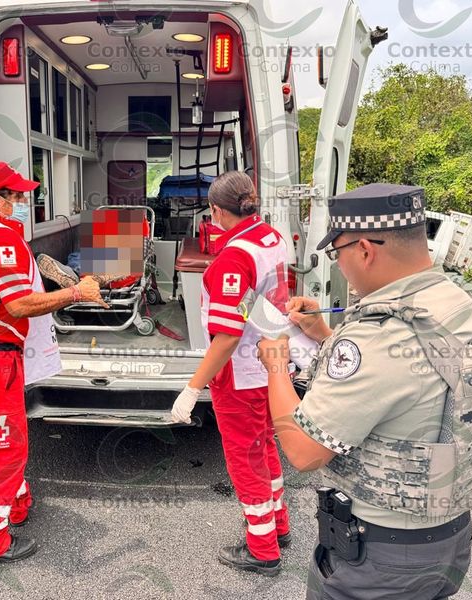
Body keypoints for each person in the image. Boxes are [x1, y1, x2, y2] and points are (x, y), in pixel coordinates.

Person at [256, 183, 472, 599]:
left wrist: (275, 367)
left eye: (337, 254)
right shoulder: (454, 301)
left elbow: (304, 452)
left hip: (381, 558)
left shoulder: (376, 339)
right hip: (448, 540)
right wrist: (324, 335)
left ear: (364, 249)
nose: (339, 266)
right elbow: (418, 378)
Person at [0, 162, 107, 566]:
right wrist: (75, 293)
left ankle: (17, 504)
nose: (24, 201)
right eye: (17, 196)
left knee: (6, 438)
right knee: (2, 446)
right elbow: (18, 304)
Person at [171, 171, 292, 577]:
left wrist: (191, 388)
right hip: (269, 366)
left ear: (216, 211)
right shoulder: (271, 237)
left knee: (245, 457)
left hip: (239, 372)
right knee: (264, 446)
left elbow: (226, 336)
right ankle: (278, 526)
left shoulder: (234, 256)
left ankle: (263, 550)